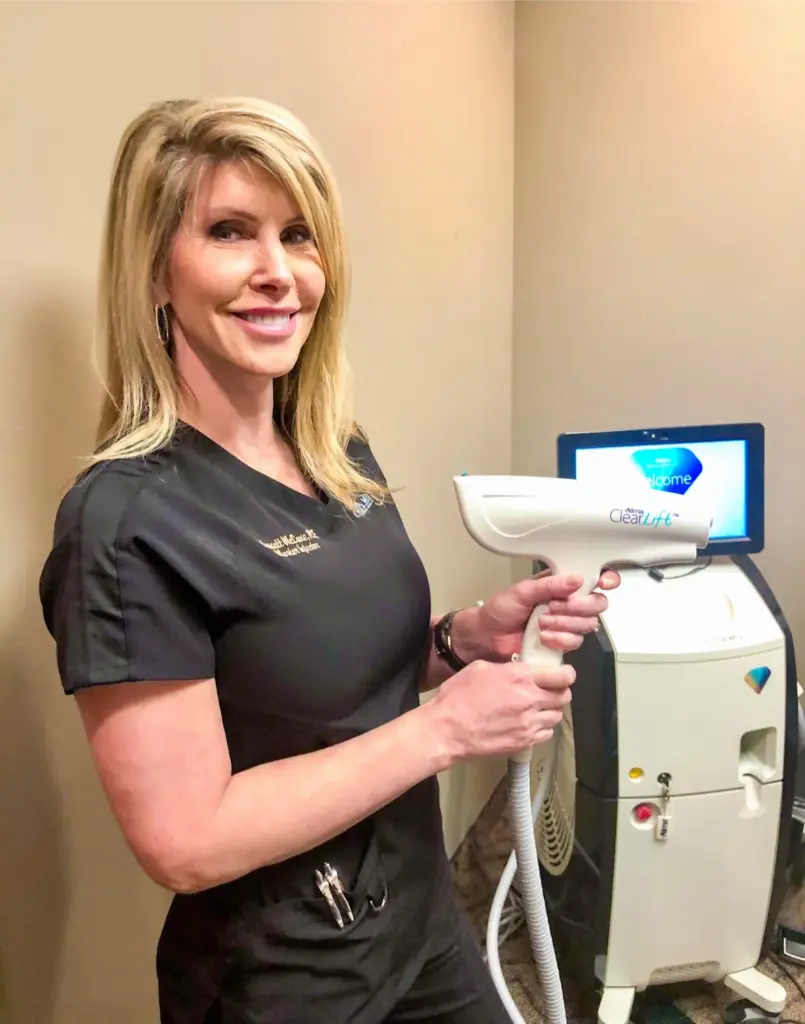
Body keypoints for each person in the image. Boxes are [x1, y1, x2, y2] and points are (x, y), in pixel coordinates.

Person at [38, 97, 620, 1024]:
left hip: (421, 919)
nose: (278, 273)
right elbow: (185, 841)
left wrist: (464, 639)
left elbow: (328, 680)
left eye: (298, 235)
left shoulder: (334, 450)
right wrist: (444, 733)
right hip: (288, 973)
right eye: (230, 232)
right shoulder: (124, 524)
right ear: (155, 271)